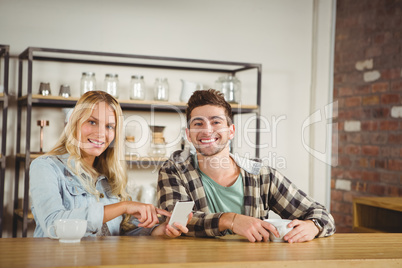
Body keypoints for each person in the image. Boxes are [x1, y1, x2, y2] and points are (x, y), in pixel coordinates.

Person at [157, 89, 336, 243]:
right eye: (198, 123)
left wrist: (313, 226)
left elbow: (322, 214)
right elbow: (177, 221)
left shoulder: (262, 176)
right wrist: (230, 220)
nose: (207, 130)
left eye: (216, 122)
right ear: (188, 134)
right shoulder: (175, 171)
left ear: (231, 131)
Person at [30, 91, 188, 238]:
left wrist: (161, 230)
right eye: (92, 122)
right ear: (73, 122)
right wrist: (124, 206)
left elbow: (124, 230)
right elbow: (54, 225)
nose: (101, 133)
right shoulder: (45, 167)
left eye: (109, 126)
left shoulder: (109, 176)